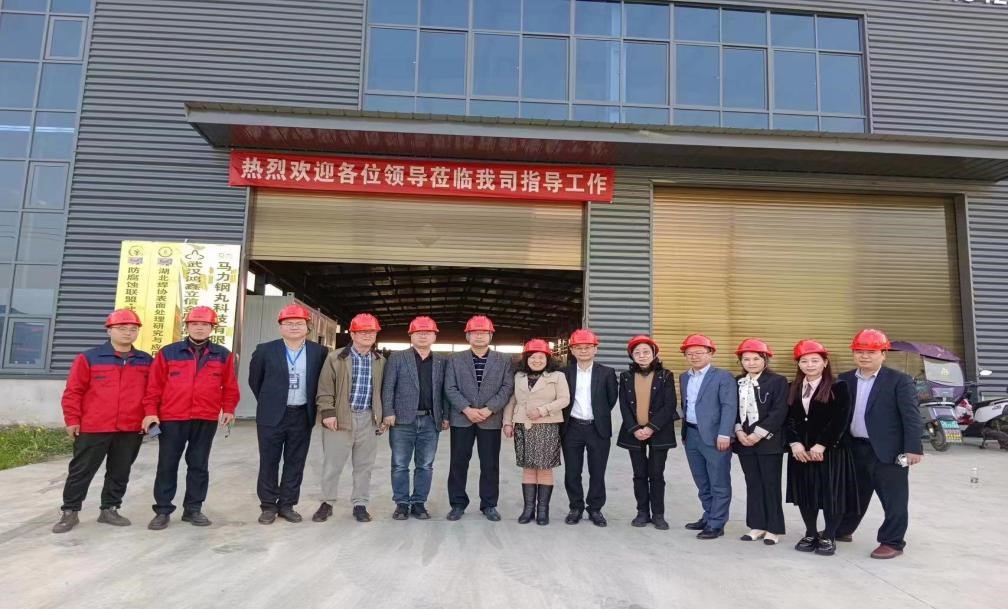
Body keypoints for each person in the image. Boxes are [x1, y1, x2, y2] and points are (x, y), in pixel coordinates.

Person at [52, 309, 153, 533]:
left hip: (130, 427)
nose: (128, 333)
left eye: (133, 329)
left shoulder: (145, 361)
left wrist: (149, 416)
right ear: (109, 330)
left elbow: (152, 393)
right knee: (81, 471)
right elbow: (73, 392)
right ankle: (70, 511)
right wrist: (72, 419)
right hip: (94, 426)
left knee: (120, 471)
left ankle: (110, 509)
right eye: (121, 328)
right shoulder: (89, 358)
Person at [142, 306, 240, 530]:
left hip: (205, 417)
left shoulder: (222, 355)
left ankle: (193, 509)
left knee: (198, 464)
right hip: (172, 417)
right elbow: (154, 386)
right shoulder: (169, 353)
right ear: (187, 326)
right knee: (167, 464)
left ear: (212, 328)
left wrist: (228, 408)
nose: (199, 328)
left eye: (205, 324)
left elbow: (230, 386)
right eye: (194, 324)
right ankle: (163, 510)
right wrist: (150, 411)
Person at [836, 329, 924, 559]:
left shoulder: (899, 381)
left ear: (883, 354)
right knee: (853, 494)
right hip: (853, 447)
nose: (864, 356)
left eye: (871, 352)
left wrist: (913, 448)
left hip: (889, 451)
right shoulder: (844, 379)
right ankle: (843, 529)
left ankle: (892, 542)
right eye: (859, 351)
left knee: (894, 499)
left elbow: (911, 417)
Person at [248, 304, 328, 525]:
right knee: (269, 461)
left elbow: (322, 383)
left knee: (295, 461)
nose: (294, 327)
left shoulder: (318, 352)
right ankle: (268, 506)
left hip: (302, 414)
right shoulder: (265, 350)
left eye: (299, 323)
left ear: (307, 327)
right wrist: (271, 401)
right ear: (280, 327)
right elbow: (255, 380)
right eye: (288, 323)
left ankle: (287, 505)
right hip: (271, 415)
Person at [785, 340, 859, 557]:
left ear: (825, 363)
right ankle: (810, 533)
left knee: (831, 494)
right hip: (801, 452)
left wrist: (823, 444)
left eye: (815, 360)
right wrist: (794, 443)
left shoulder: (838, 387)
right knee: (806, 493)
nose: (809, 365)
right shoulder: (793, 387)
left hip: (831, 451)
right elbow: (788, 418)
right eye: (804, 361)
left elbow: (841, 419)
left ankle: (829, 535)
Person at [312, 313, 386, 524]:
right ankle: (327, 503)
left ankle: (360, 504)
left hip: (368, 419)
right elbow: (325, 388)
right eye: (362, 331)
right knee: (332, 465)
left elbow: (383, 391)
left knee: (364, 466)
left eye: (371, 332)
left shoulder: (380, 361)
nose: (367, 335)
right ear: (352, 334)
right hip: (341, 419)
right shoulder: (336, 358)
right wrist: (328, 413)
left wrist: (381, 417)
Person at [444, 314, 515, 522]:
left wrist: (489, 409)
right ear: (467, 336)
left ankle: (489, 504)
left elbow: (507, 387)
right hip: (462, 418)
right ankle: (457, 504)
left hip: (490, 419)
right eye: (475, 332)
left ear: (491, 335)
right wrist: (467, 409)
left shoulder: (504, 360)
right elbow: (450, 387)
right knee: (458, 462)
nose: (479, 336)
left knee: (490, 464)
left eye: (484, 332)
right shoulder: (455, 359)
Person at [380, 315, 448, 521]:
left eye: (428, 332)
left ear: (434, 336)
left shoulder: (441, 361)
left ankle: (419, 503)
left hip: (430, 420)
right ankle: (401, 504)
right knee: (400, 464)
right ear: (411, 335)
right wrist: (388, 412)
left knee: (425, 465)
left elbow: (445, 391)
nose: (423, 336)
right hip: (402, 420)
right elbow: (388, 387)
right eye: (418, 332)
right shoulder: (397, 358)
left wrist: (445, 416)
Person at [503, 339, 570, 525]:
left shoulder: (557, 376)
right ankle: (528, 510)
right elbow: (512, 400)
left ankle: (542, 511)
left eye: (541, 357)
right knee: (528, 467)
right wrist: (507, 422)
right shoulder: (519, 376)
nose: (536, 360)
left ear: (548, 359)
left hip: (547, 425)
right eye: (532, 357)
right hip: (523, 425)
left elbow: (564, 399)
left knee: (544, 468)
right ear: (526, 359)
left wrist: (542, 410)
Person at [616, 335, 678, 530]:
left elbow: (670, 405)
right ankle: (642, 512)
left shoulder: (665, 375)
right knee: (639, 474)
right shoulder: (626, 377)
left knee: (656, 474)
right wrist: (635, 428)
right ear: (632, 355)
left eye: (646, 352)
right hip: (634, 432)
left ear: (654, 354)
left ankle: (658, 514)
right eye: (637, 352)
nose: (641, 355)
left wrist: (651, 427)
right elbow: (624, 406)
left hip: (659, 431)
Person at [679, 333, 737, 540]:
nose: (694, 356)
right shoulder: (684, 377)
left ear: (710, 353)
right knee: (702, 480)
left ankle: (717, 523)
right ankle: (708, 515)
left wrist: (725, 433)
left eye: (699, 352)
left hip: (715, 437)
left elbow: (729, 407)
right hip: (691, 435)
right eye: (689, 353)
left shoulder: (723, 377)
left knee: (718, 482)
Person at [733, 338, 789, 545]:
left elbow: (779, 410)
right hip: (744, 441)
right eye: (746, 359)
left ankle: (774, 528)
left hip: (768, 442)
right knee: (753, 483)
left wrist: (758, 434)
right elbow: (732, 409)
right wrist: (738, 431)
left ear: (765, 359)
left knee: (770, 484)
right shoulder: (737, 381)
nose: (751, 363)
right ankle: (757, 525)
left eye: (756, 358)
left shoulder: (778, 381)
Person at [561, 328, 618, 527]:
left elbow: (611, 399)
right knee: (572, 472)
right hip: (572, 428)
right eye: (578, 347)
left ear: (595, 349)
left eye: (587, 347)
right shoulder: (564, 373)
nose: (583, 351)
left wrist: (599, 415)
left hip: (597, 428)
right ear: (572, 350)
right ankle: (575, 507)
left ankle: (595, 509)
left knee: (597, 472)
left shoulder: (607, 372)